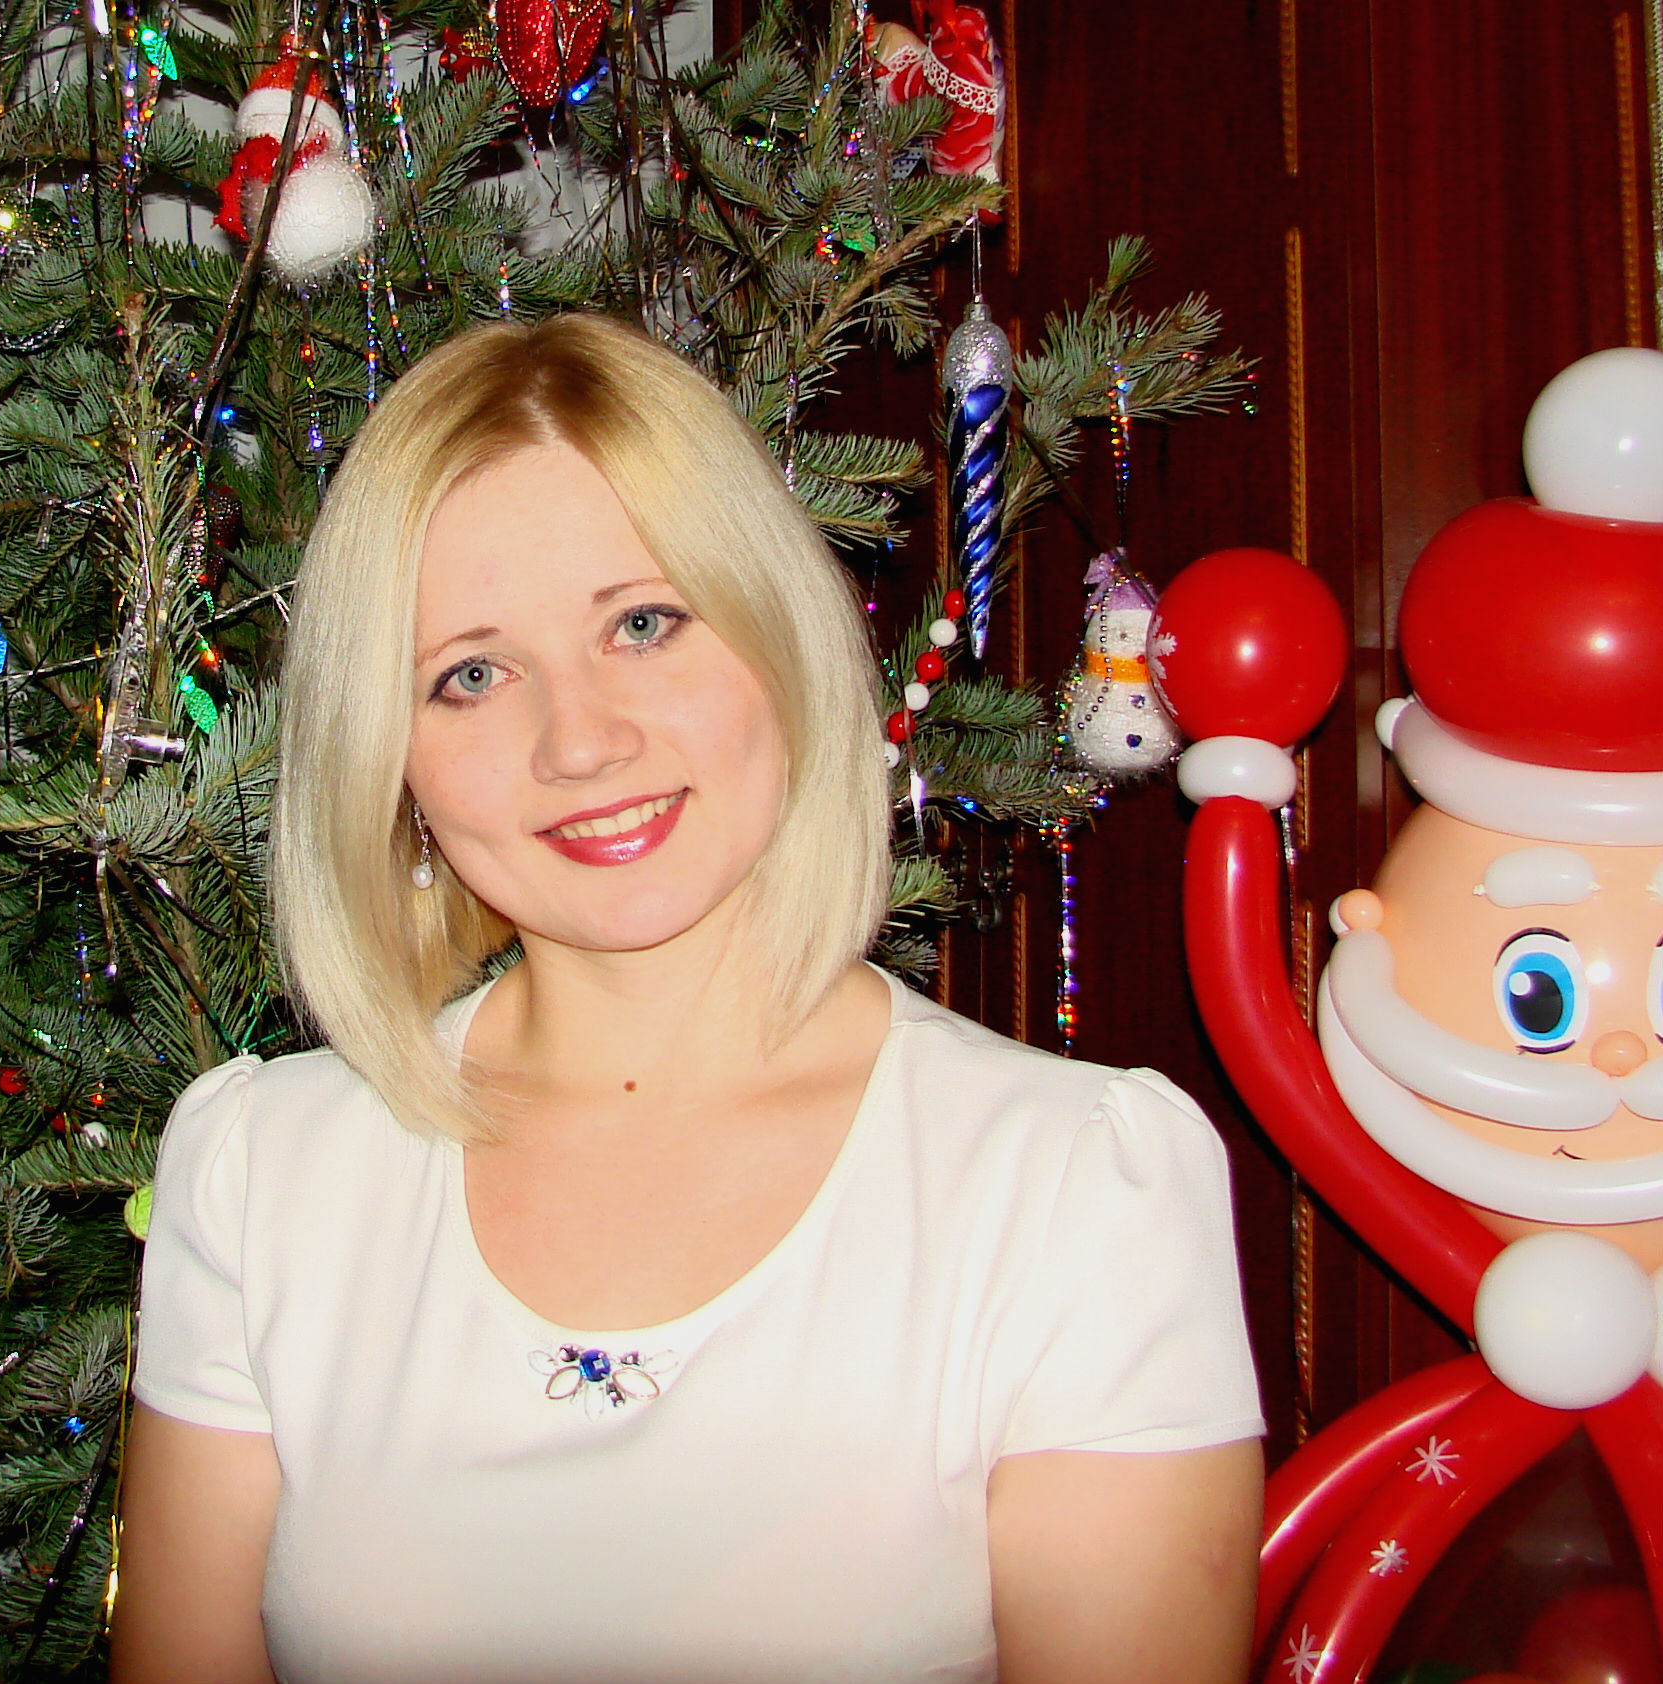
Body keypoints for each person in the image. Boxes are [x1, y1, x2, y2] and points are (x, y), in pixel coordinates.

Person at [109, 314, 1264, 1684]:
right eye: (470, 675)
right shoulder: (262, 1175)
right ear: (390, 757)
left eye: (644, 624)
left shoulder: (1072, 1187)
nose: (581, 740)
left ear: (779, 640)